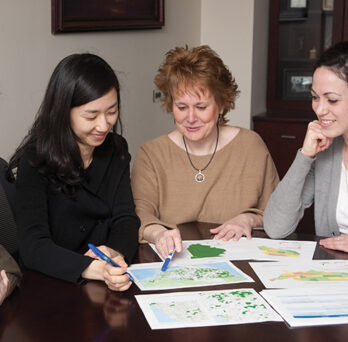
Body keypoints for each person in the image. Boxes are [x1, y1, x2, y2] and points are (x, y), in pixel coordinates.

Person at [131, 45, 279, 258]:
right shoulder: (152, 153)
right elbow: (139, 214)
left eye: (201, 107)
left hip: (239, 266)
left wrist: (248, 219)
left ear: (221, 105)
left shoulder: (250, 146)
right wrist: (158, 234)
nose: (190, 118)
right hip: (174, 265)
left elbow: (277, 214)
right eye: (182, 107)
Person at [8, 53, 139, 291]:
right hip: (50, 284)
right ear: (63, 111)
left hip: (103, 283)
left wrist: (115, 252)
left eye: (112, 111)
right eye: (91, 116)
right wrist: (91, 268)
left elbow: (126, 218)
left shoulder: (116, 149)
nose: (104, 125)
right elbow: (33, 246)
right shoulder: (35, 159)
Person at [264, 41, 348, 253]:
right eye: (314, 97)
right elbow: (275, 228)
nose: (319, 109)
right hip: (332, 276)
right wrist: (305, 156)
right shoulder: (325, 151)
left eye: (332, 100)